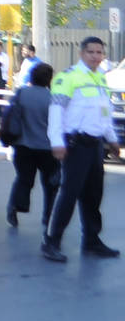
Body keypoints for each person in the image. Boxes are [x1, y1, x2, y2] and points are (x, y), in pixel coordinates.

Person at [42, 36, 122, 262]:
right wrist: (56, 141)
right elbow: (55, 111)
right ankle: (51, 241)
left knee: (93, 194)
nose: (96, 56)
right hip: (75, 144)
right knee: (68, 194)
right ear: (81, 53)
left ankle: (92, 240)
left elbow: (104, 113)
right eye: (91, 52)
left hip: (95, 145)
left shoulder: (100, 78)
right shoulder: (67, 78)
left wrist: (112, 139)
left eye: (99, 52)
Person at [6, 63, 59, 229]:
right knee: (50, 184)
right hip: (46, 149)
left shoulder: (22, 93)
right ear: (49, 79)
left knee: (23, 179)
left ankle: (14, 207)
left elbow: (12, 116)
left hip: (22, 146)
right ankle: (47, 216)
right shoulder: (52, 99)